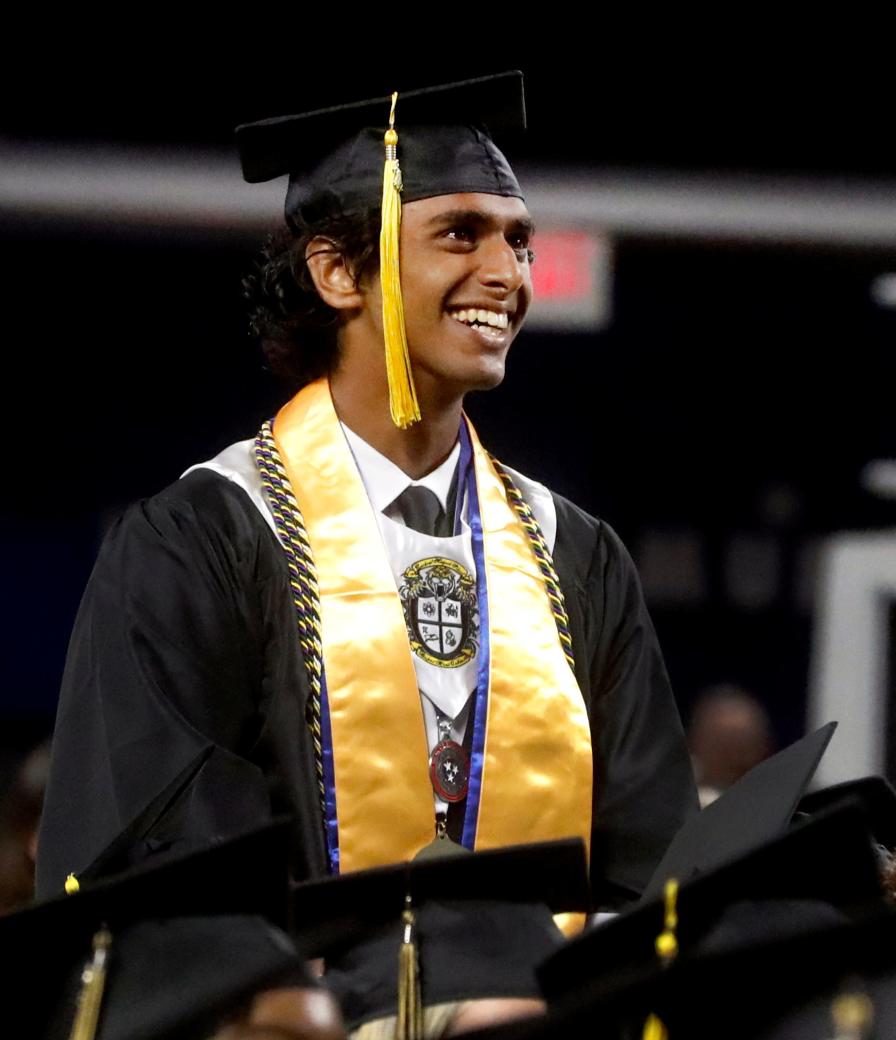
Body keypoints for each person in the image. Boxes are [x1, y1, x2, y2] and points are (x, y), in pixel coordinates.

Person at [36, 72, 697, 916]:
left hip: (543, 1036)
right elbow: (171, 868)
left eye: (519, 241)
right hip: (307, 1038)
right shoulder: (202, 543)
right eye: (462, 234)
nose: (507, 272)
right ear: (339, 272)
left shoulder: (576, 557)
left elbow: (650, 864)